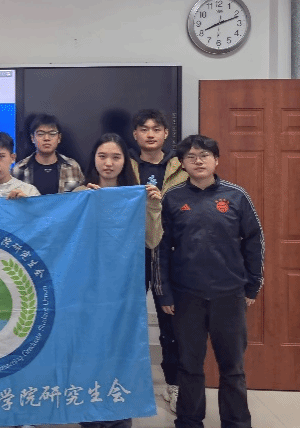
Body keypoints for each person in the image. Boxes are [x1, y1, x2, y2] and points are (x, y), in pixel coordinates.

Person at [153, 135, 264, 428]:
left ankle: (236, 422)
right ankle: (189, 421)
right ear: (182, 164)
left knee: (232, 368)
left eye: (204, 155)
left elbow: (254, 241)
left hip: (229, 295)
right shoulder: (173, 198)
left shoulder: (237, 196)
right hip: (186, 296)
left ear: (216, 160)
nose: (198, 161)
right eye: (191, 157)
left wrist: (253, 285)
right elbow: (160, 249)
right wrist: (164, 294)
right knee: (189, 366)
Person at [73, 133, 163, 428]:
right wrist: (79, 202)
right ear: (94, 159)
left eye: (116, 157)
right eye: (102, 156)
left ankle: (120, 416)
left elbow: (152, 241)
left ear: (126, 161)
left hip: (125, 288)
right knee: (89, 349)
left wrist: (153, 206)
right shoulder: (80, 191)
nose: (108, 163)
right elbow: (67, 239)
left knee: (123, 349)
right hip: (87, 287)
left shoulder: (136, 194)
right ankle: (89, 415)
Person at [129, 108, 188, 413]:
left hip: (170, 252)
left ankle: (174, 386)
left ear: (166, 134)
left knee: (171, 323)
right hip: (131, 251)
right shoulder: (125, 165)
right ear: (135, 134)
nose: (150, 134)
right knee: (126, 319)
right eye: (144, 129)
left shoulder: (181, 166)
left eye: (156, 129)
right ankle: (126, 384)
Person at [11, 113, 83, 195]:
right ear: (32, 138)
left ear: (59, 138)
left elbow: (81, 198)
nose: (46, 138)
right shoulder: (19, 169)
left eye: (52, 134)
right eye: (40, 134)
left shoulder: (73, 167)